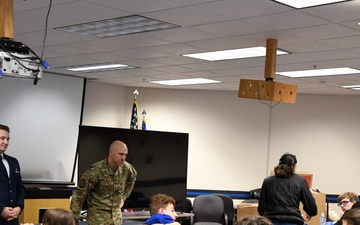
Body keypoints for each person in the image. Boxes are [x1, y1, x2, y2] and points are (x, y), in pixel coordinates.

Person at [70, 140, 137, 225]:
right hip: (98, 219)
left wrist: (124, 197)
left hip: (116, 219)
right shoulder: (95, 171)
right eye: (120, 154)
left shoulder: (126, 168)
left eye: (125, 155)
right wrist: (74, 220)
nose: (123, 158)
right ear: (111, 152)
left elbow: (133, 178)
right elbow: (79, 196)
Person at [257, 153, 317, 225]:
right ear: (294, 167)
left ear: (279, 164)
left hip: (270, 221)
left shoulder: (267, 181)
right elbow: (312, 208)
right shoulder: (300, 181)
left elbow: (261, 209)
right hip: (292, 221)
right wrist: (310, 213)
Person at [0, 124, 25, 225]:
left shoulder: (13, 162)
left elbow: (20, 187)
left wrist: (19, 207)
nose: (6, 142)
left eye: (8, 139)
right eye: (2, 138)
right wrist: (1, 209)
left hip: (13, 219)